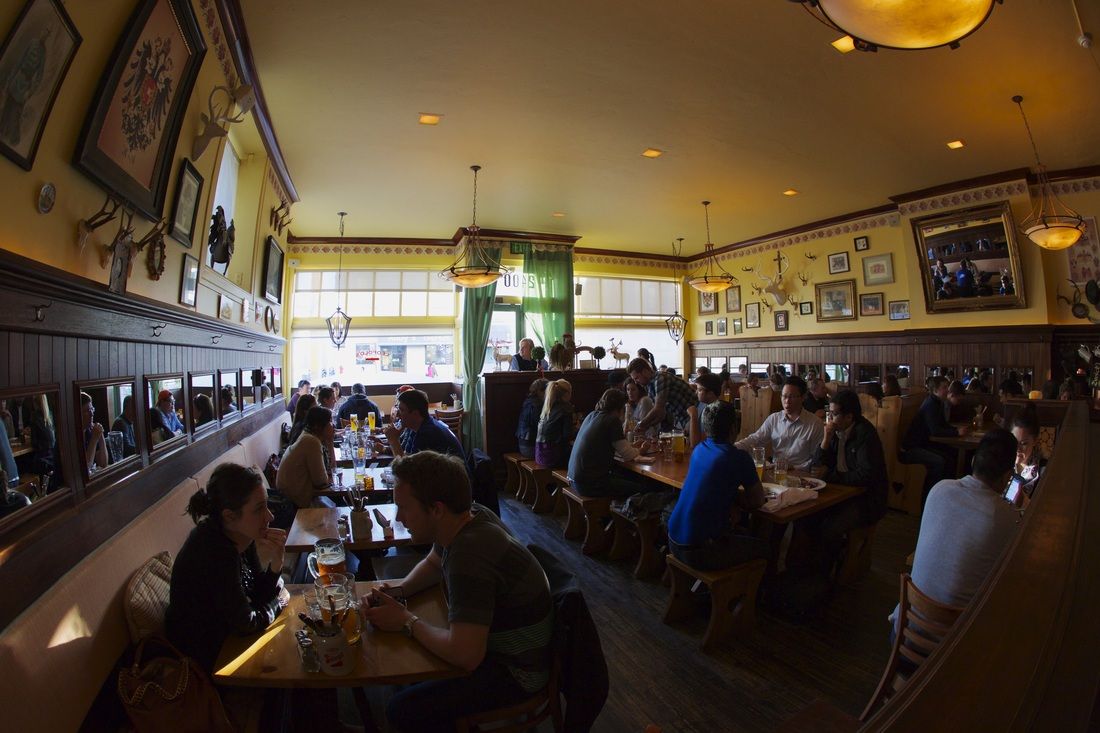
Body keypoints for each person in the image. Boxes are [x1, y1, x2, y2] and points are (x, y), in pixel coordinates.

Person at [361, 451, 553, 732]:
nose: (399, 517)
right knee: (410, 671)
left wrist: (406, 621)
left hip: (517, 672)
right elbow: (433, 563)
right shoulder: (467, 516)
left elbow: (466, 655)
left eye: (403, 507)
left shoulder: (470, 554)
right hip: (498, 648)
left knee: (401, 710)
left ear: (436, 509)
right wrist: (398, 590)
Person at [166, 463, 288, 673]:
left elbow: (258, 592)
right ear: (229, 515)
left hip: (229, 637)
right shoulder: (214, 550)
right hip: (206, 659)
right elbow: (246, 624)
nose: (270, 516)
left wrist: (276, 565)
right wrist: (278, 603)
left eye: (266, 505)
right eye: (259, 509)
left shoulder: (240, 536)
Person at [894, 430, 1019, 634]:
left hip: (903, 629)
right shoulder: (1003, 516)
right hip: (950, 648)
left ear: (973, 463)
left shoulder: (939, 489)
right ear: (1007, 476)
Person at [667, 401, 767, 570]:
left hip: (673, 539)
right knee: (765, 548)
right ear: (734, 428)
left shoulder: (699, 449)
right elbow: (758, 501)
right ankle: (742, 595)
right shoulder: (738, 458)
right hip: (699, 550)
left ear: (706, 428)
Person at [803, 390, 889, 571]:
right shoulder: (834, 430)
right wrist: (825, 440)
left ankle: (828, 573)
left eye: (834, 414)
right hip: (839, 493)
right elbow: (816, 468)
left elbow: (866, 476)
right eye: (829, 412)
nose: (830, 418)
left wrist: (830, 475)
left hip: (867, 499)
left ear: (849, 417)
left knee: (831, 528)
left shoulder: (865, 435)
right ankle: (808, 568)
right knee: (807, 518)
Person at [569, 388, 654, 499]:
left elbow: (609, 445)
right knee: (644, 489)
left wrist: (632, 447)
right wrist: (641, 450)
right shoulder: (612, 420)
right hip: (589, 484)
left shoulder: (592, 415)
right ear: (620, 407)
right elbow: (628, 456)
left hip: (574, 478)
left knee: (626, 476)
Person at [900, 376, 970, 505]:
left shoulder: (938, 403)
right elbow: (935, 431)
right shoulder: (931, 404)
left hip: (923, 444)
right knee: (939, 462)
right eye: (944, 387)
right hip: (911, 448)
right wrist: (956, 432)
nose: (947, 390)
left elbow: (943, 425)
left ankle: (946, 493)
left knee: (951, 456)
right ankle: (929, 498)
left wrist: (957, 430)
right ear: (936, 390)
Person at [735, 376, 824, 471]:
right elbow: (755, 439)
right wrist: (733, 447)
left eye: (792, 397)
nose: (787, 401)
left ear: (803, 397)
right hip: (776, 472)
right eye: (784, 396)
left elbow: (816, 459)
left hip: (801, 475)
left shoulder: (815, 424)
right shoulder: (774, 419)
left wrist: (794, 467)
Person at [277, 406, 335, 508]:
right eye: (330, 422)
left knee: (334, 504)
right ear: (318, 426)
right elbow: (321, 481)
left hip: (297, 495)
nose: (332, 425)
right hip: (295, 501)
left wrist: (330, 442)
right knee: (337, 506)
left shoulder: (308, 435)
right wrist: (330, 442)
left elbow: (331, 470)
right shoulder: (311, 442)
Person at [382, 388, 464, 459]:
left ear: (415, 413)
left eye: (402, 410)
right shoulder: (415, 427)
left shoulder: (428, 433)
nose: (398, 414)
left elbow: (407, 470)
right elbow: (407, 456)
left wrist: (393, 440)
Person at [627, 357, 696, 433]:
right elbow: (661, 414)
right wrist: (646, 427)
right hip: (685, 418)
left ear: (645, 372)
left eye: (636, 378)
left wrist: (641, 424)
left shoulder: (660, 378)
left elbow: (658, 409)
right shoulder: (650, 386)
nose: (636, 382)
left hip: (696, 413)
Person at [535, 379, 573, 468]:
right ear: (567, 394)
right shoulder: (566, 408)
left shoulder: (548, 406)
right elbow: (567, 435)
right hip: (553, 457)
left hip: (539, 455)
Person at [1010, 408, 1045, 500]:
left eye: (1023, 443)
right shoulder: (1001, 461)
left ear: (1035, 441)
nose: (1017, 449)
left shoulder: (1043, 470)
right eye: (1014, 441)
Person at [515, 378, 549, 459]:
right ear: (540, 391)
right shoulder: (537, 405)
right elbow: (541, 426)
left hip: (523, 444)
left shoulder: (528, 401)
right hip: (530, 447)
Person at [687, 372, 722, 448]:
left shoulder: (715, 412)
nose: (696, 393)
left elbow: (696, 445)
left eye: (699, 390)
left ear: (710, 393)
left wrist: (693, 416)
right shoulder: (703, 404)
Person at [79, 391, 109, 470]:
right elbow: (86, 468)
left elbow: (103, 463)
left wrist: (100, 435)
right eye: (87, 410)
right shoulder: (71, 436)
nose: (92, 413)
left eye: (92, 409)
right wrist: (94, 439)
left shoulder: (89, 431)